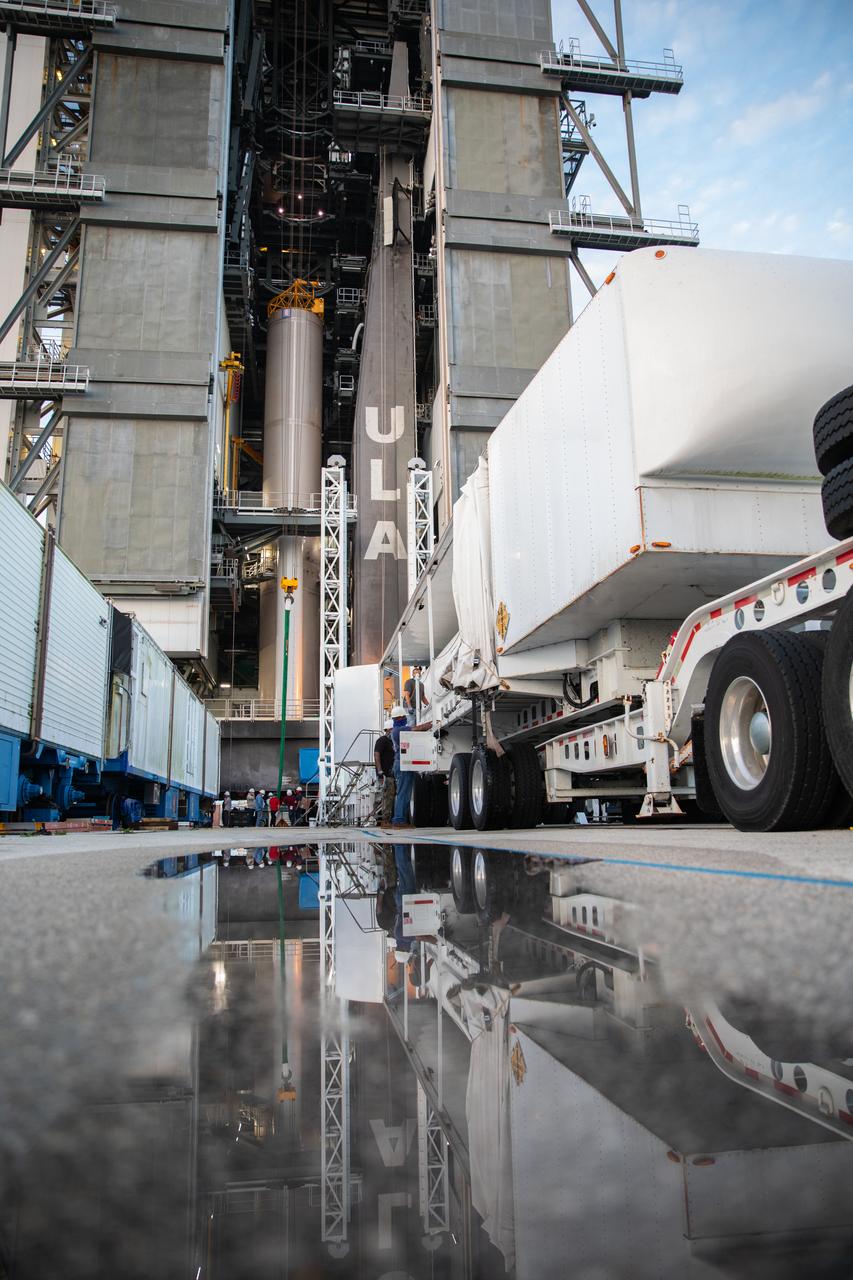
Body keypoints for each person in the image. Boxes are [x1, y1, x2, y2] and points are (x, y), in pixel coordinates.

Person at [390, 704, 414, 827]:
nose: (405, 719)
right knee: (403, 793)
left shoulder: (396, 730)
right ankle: (399, 819)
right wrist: (429, 725)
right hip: (401, 764)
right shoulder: (398, 730)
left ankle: (400, 819)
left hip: (400, 763)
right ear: (399, 718)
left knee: (404, 792)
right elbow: (415, 729)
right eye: (403, 717)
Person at [374, 718, 396, 825]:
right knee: (388, 797)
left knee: (391, 796)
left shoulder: (392, 741)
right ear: (389, 729)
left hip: (392, 774)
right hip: (386, 775)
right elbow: (376, 755)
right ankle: (385, 820)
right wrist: (380, 772)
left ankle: (388, 819)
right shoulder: (382, 741)